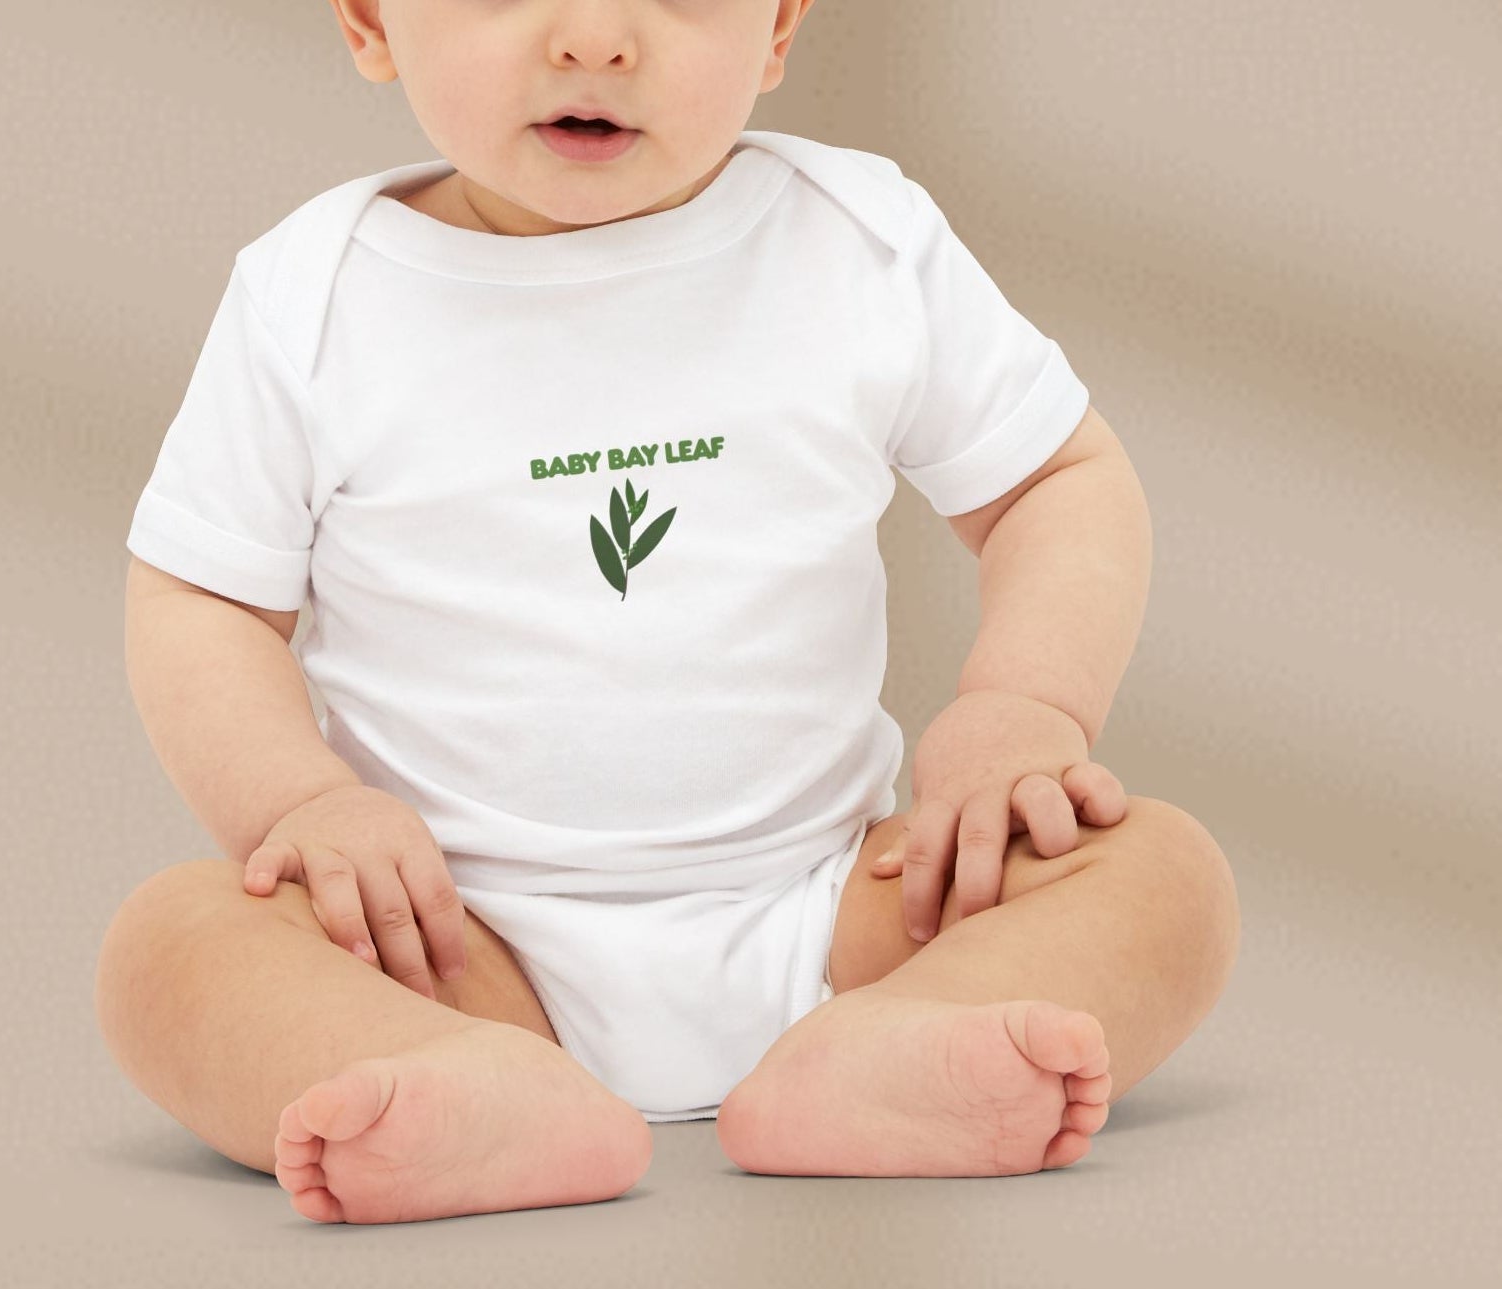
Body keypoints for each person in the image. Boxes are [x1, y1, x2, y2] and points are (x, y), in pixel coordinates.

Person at [96, 0, 1241, 1225]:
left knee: (1161, 871)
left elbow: (1056, 485)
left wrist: (1023, 705)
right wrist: (302, 804)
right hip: (446, 943)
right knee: (172, 945)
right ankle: (461, 1080)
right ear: (374, 20)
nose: (594, 38)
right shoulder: (310, 299)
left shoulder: (857, 240)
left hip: (840, 913)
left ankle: (894, 1046)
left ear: (782, 27)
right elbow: (202, 597)